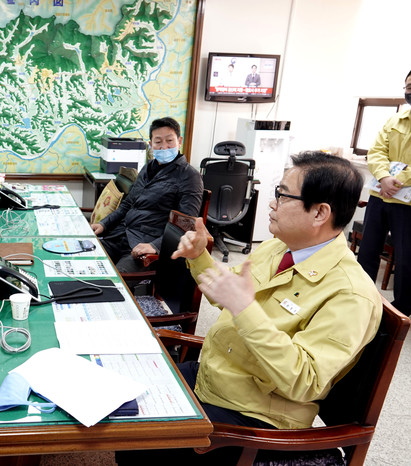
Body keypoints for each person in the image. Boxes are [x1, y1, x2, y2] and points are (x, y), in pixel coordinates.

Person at [117, 151, 382, 463]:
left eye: (283, 195)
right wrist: (199, 256)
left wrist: (246, 310)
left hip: (256, 417)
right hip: (216, 379)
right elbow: (227, 291)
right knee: (127, 395)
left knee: (141, 435)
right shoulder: (277, 248)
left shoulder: (350, 293)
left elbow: (305, 380)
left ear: (320, 213)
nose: (272, 203)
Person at [90, 117, 203, 273]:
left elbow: (186, 225)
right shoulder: (147, 168)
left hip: (145, 247)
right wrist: (104, 224)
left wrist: (154, 246)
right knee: (84, 258)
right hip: (120, 235)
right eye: (158, 142)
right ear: (151, 145)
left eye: (169, 140)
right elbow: (127, 204)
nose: (164, 147)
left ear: (179, 141)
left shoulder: (190, 177)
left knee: (115, 281)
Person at [357, 70, 411, 316]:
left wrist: (398, 180)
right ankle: (361, 300)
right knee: (367, 251)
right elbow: (376, 151)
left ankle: (400, 312)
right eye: (408, 86)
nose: (410, 91)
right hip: (380, 196)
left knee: (406, 259)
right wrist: (384, 177)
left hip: (407, 204)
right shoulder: (395, 120)